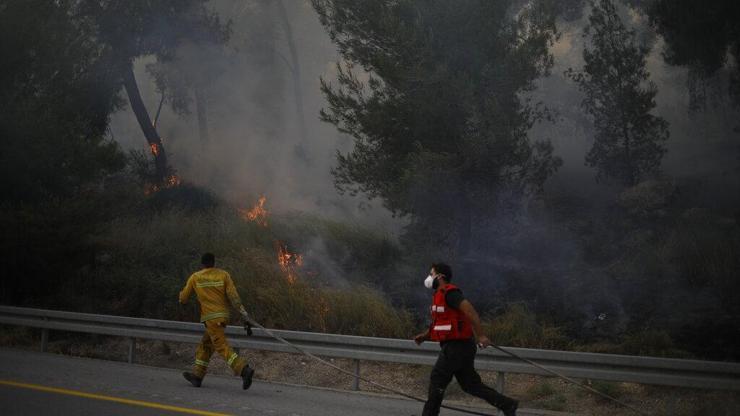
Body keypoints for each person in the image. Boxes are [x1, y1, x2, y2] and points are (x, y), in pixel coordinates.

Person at [414, 263, 518, 416]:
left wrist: (481, 335)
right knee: (470, 384)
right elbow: (442, 324)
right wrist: (424, 336)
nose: (429, 277)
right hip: (461, 346)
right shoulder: (439, 295)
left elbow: (471, 312)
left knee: (438, 378)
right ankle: (507, 404)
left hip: (457, 347)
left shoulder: (450, 293)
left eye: (431, 274)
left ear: (440, 276)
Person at [179, 252, 255, 389]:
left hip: (211, 319)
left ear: (202, 264)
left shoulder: (195, 277)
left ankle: (244, 370)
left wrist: (181, 299)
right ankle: (197, 376)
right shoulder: (223, 275)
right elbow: (234, 297)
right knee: (206, 344)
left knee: (221, 347)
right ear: (214, 263)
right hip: (223, 317)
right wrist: (244, 314)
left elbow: (183, 298)